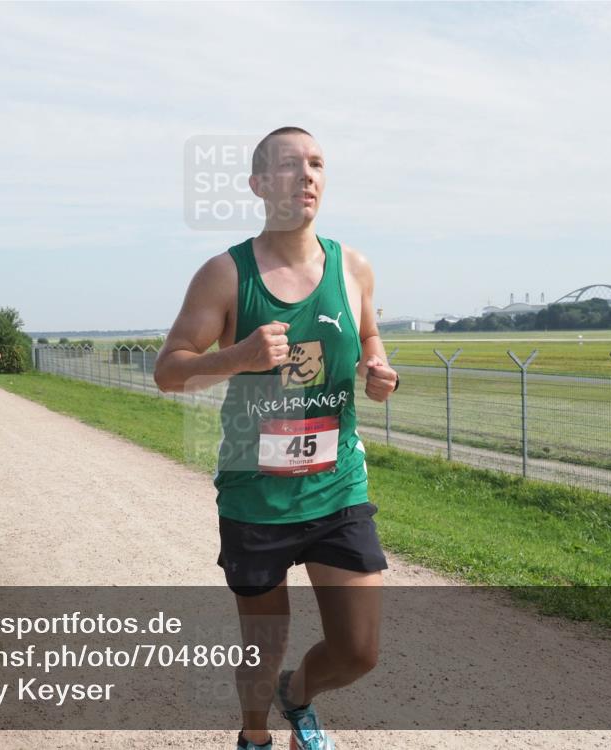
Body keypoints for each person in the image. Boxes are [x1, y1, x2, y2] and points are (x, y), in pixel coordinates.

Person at [153, 127, 399, 750]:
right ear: (259, 185)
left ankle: (298, 696)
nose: (307, 176)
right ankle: (255, 735)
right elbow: (168, 370)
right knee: (264, 645)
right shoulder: (224, 275)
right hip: (254, 492)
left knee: (360, 649)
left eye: (316, 164)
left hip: (337, 482)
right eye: (290, 166)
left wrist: (378, 372)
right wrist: (235, 356)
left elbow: (369, 336)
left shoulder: (354, 266)